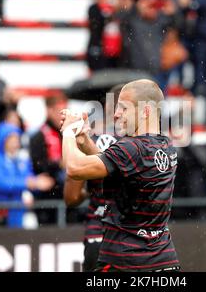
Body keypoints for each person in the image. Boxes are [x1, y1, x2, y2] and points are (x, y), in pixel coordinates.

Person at [60, 79, 180, 272]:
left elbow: (74, 168)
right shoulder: (166, 146)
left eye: (123, 108)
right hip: (162, 260)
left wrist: (68, 133)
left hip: (124, 261)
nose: (116, 114)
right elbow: (114, 168)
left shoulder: (131, 148)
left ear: (145, 111)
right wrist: (83, 141)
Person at [63, 84, 123, 272]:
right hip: (137, 235)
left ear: (107, 107)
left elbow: (71, 198)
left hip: (100, 230)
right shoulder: (148, 142)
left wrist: (90, 192)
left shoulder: (90, 136)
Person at [0, 123, 55, 228]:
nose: (15, 142)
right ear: (2, 139)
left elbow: (29, 180)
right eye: (11, 138)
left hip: (17, 215)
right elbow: (1, 183)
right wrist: (32, 183)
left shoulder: (22, 160)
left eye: (17, 138)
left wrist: (39, 183)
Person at [30, 95, 67, 225]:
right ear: (49, 110)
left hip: (67, 195)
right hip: (47, 197)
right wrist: (58, 164)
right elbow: (37, 164)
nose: (62, 116)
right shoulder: (39, 136)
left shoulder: (67, 134)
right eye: (59, 111)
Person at [87, 0, 121, 71]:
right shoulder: (94, 8)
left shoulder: (114, 8)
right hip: (99, 49)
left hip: (113, 50)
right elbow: (97, 26)